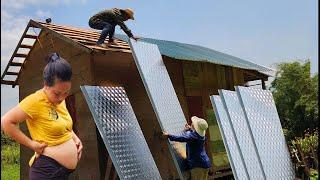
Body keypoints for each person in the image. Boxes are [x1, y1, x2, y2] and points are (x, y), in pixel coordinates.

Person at [1, 53, 83, 179]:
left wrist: (75, 138)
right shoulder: (35, 101)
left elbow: (65, 125)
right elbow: (6, 122)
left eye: (66, 93)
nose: (61, 98)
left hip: (60, 172)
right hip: (45, 171)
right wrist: (32, 144)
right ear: (45, 84)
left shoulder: (61, 100)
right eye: (57, 93)